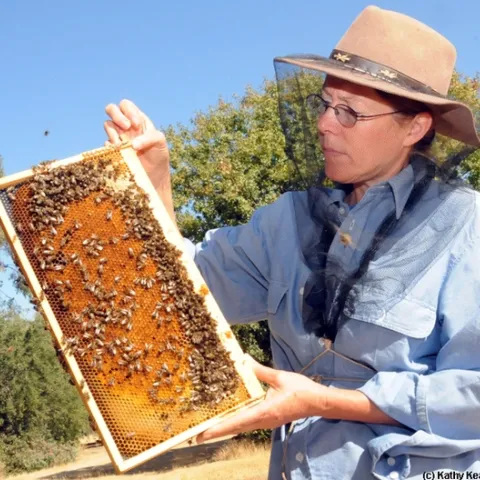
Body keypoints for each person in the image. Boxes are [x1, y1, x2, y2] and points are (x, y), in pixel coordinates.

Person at [104, 5, 480, 479]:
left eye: (350, 112)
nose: (325, 124)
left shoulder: (468, 227)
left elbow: (473, 395)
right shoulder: (285, 221)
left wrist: (323, 401)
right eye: (325, 104)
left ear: (415, 127)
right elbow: (185, 298)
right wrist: (155, 184)